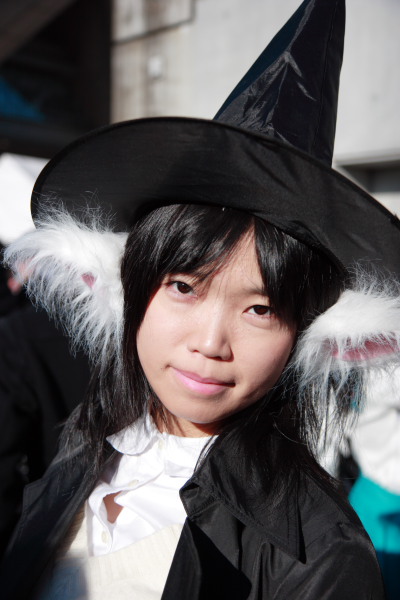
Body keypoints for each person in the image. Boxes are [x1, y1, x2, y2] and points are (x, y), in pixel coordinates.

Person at [1, 0, 398, 597]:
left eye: (260, 309)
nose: (211, 343)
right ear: (131, 290)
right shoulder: (89, 447)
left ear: (306, 334)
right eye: (184, 287)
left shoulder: (320, 556)